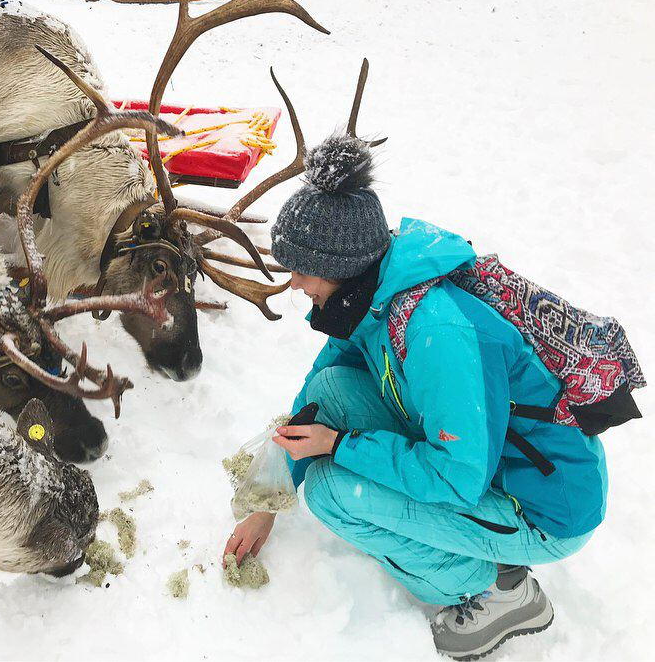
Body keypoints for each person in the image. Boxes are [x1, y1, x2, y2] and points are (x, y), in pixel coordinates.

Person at [222, 136, 607, 660]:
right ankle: (478, 560)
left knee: (332, 492)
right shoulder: (377, 296)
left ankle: (496, 588)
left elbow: (456, 476)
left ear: (339, 265)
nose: (294, 285)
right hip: (490, 458)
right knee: (334, 388)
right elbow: (323, 386)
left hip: (540, 505)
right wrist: (267, 498)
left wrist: (339, 445)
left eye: (301, 270)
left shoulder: (435, 332)